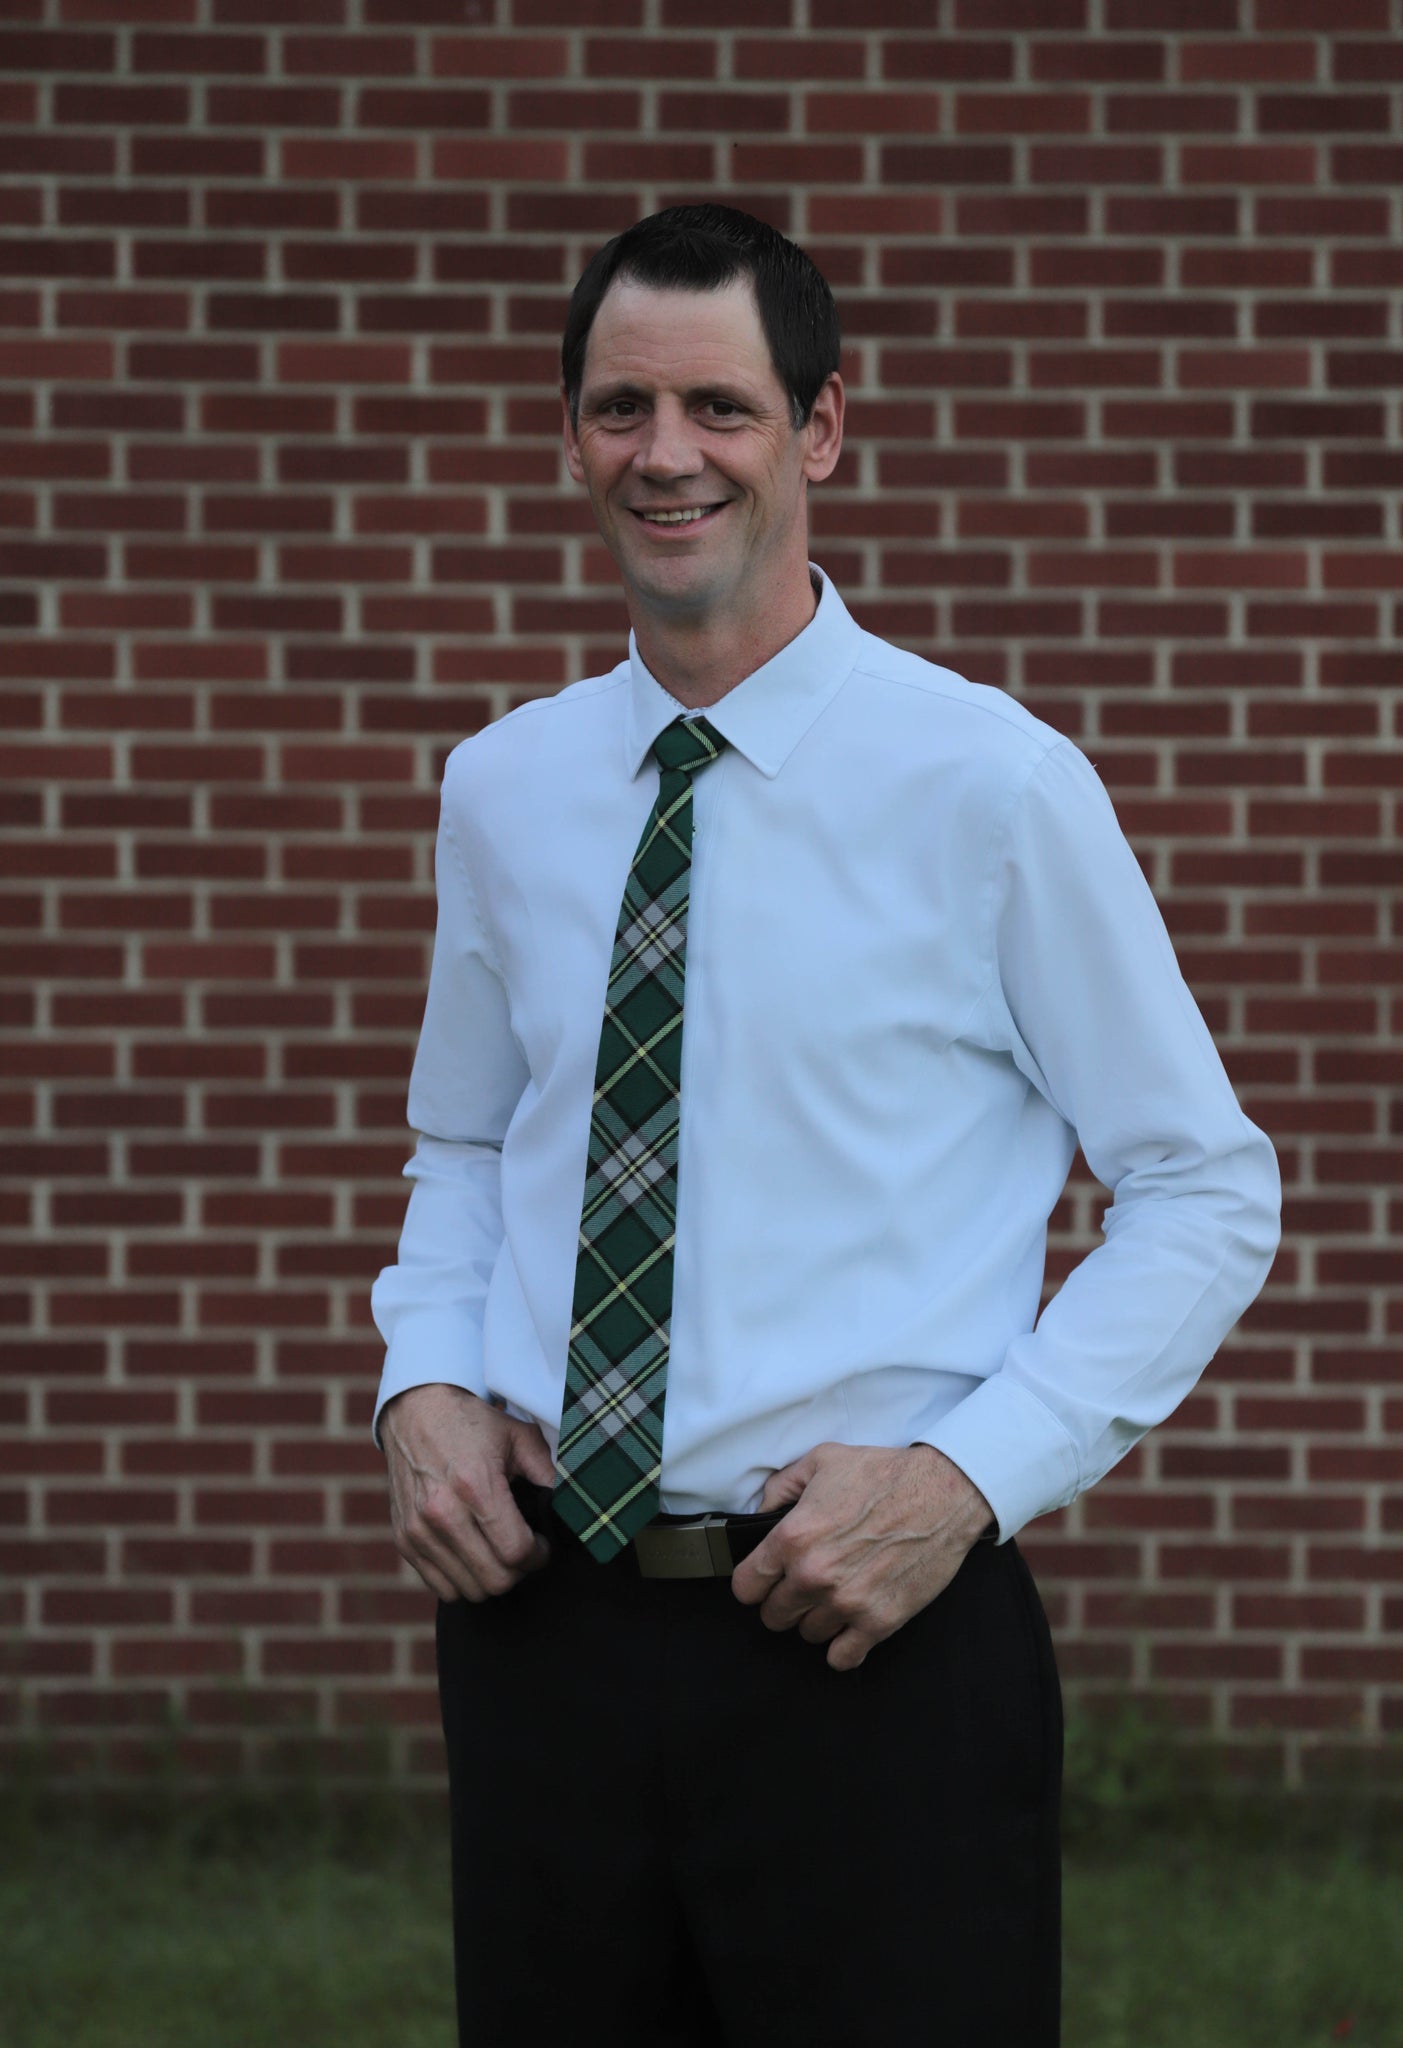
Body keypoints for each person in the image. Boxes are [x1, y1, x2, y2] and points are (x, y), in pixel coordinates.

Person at [370, 204, 1281, 2047]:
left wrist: (964, 1481)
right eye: (620, 406)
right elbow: (466, 1148)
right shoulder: (508, 787)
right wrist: (424, 1378)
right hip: (548, 1635)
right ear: (570, 438)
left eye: (719, 405)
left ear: (821, 431)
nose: (667, 453)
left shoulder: (994, 787)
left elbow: (1203, 1187)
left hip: (868, 1639)